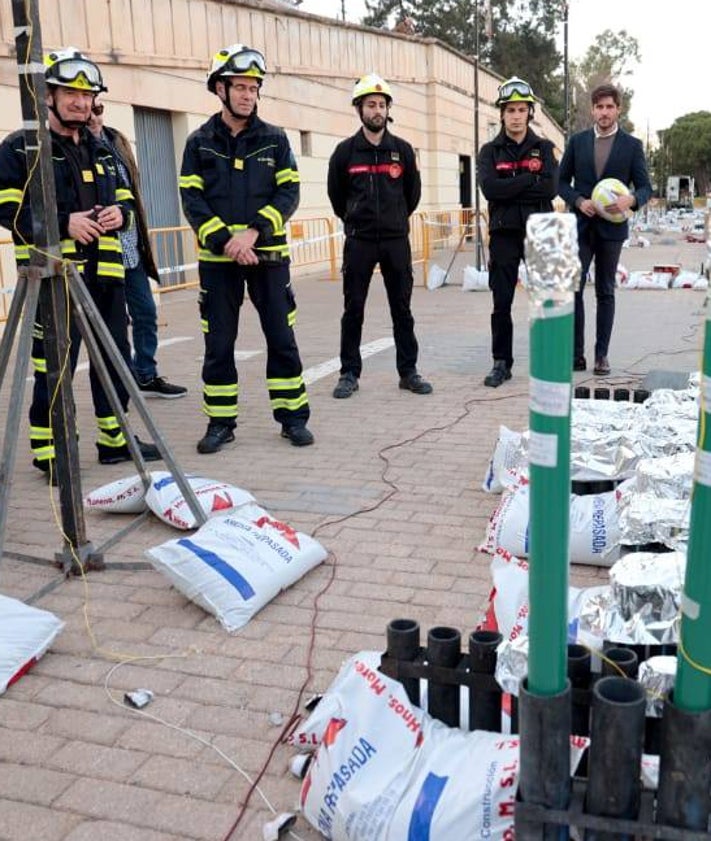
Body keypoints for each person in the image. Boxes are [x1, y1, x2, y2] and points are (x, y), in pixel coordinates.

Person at [0, 47, 161, 480]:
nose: (81, 101)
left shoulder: (102, 149)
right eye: (70, 92)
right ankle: (50, 452)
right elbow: (8, 211)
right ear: (47, 95)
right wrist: (61, 223)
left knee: (115, 361)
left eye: (87, 94)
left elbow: (126, 200)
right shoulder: (22, 148)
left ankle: (114, 441)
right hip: (53, 280)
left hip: (106, 278)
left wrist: (119, 215)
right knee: (54, 366)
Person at [179, 43, 313, 452]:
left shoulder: (275, 139)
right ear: (220, 89)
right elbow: (192, 200)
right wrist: (227, 242)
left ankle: (292, 418)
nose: (248, 95)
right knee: (218, 344)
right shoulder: (199, 142)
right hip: (218, 262)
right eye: (239, 87)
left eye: (253, 88)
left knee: (281, 338)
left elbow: (289, 192)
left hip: (268, 257)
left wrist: (253, 233)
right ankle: (220, 423)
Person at [327, 73, 432, 399]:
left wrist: (395, 220)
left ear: (388, 110)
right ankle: (348, 373)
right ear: (359, 109)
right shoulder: (345, 153)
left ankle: (408, 371)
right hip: (359, 240)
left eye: (382, 105)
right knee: (353, 308)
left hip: (395, 241)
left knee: (402, 308)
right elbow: (336, 197)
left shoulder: (402, 151)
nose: (377, 110)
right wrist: (356, 219)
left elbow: (412, 195)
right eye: (370, 104)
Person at [87, 101, 187, 399]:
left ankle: (145, 374)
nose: (93, 115)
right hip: (102, 253)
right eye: (88, 110)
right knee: (112, 324)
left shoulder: (117, 139)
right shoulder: (77, 148)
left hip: (131, 248)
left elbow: (131, 191)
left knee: (145, 312)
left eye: (98, 108)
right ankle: (122, 381)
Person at [558, 82, 652, 376]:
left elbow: (647, 187)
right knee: (574, 288)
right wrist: (578, 199)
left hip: (612, 230)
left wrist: (632, 199)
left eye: (610, 107)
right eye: (599, 107)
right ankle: (576, 355)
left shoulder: (632, 146)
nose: (604, 112)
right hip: (582, 226)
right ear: (592, 110)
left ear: (618, 109)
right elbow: (560, 182)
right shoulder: (577, 142)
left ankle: (601, 356)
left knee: (605, 291)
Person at [477, 76, 559, 388]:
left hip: (541, 231)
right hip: (504, 234)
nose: (515, 115)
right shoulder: (490, 152)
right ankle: (501, 362)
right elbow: (490, 190)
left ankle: (549, 359)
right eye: (509, 109)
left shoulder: (544, 148)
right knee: (501, 302)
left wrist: (510, 187)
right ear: (501, 113)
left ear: (529, 112)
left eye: (521, 109)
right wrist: (528, 181)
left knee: (546, 301)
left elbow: (550, 189)